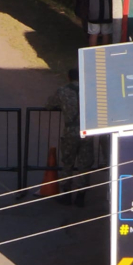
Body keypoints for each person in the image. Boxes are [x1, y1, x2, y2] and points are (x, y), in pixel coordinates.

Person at [46, 68, 94, 206]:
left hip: (70, 130)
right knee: (85, 164)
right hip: (87, 131)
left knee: (67, 162)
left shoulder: (63, 90)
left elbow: (49, 105)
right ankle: (81, 196)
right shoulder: (90, 90)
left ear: (68, 77)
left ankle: (66, 194)